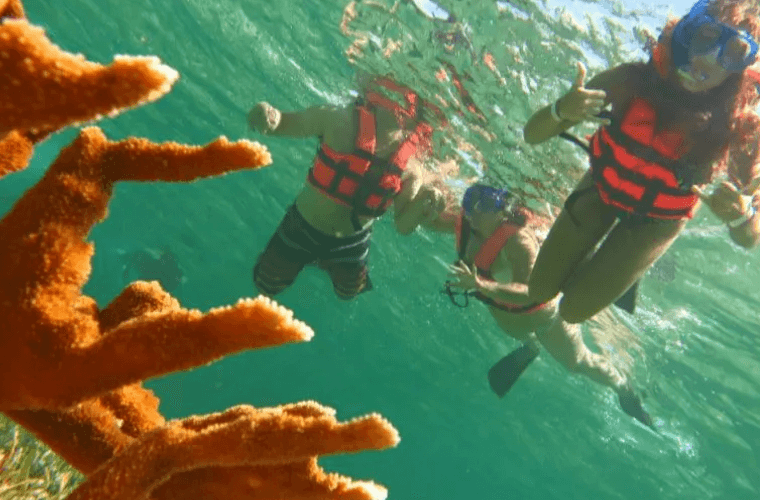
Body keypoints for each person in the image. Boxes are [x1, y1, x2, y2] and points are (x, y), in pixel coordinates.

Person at [524, 0, 760, 325]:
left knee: (572, 312)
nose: (709, 59)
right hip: (602, 186)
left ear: (743, 66)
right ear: (685, 35)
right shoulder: (629, 81)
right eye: (705, 37)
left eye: (733, 53)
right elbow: (532, 135)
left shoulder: (740, 126)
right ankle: (603, 265)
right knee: (537, 291)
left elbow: (749, 238)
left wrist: (741, 217)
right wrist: (562, 110)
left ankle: (615, 269)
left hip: (656, 221)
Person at [423, 183, 653, 426]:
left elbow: (533, 293)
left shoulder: (519, 241)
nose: (475, 212)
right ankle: (531, 347)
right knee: (523, 335)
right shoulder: (466, 225)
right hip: (511, 321)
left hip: (546, 320)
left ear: (502, 212)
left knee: (578, 363)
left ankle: (624, 388)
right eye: (469, 203)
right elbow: (432, 223)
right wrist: (427, 210)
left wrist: (481, 285)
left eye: (486, 206)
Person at [247, 76, 447, 299]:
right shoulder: (338, 120)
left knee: (348, 293)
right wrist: (264, 116)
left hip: (352, 242)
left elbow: (403, 224)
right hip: (303, 226)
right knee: (265, 285)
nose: (397, 113)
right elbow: (283, 123)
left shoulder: (412, 168)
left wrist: (426, 205)